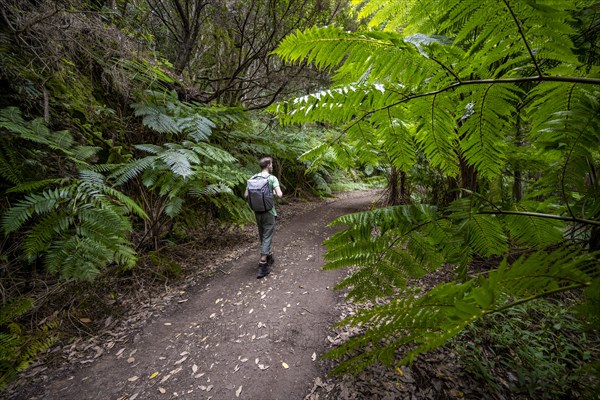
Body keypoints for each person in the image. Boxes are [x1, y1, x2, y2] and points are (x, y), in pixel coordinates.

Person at [245, 156, 283, 278]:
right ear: (268, 165)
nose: (272, 166)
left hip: (257, 212)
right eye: (271, 164)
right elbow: (280, 194)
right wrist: (269, 194)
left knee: (263, 235)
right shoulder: (272, 178)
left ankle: (269, 256)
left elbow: (246, 195)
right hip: (269, 212)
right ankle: (262, 265)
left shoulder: (253, 178)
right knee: (267, 236)